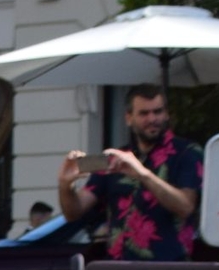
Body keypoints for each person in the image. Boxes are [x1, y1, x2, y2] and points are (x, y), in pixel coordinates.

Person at [56, 85, 203, 260]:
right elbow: (73, 212)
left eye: (157, 112)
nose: (152, 119)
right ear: (128, 118)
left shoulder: (187, 152)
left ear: (166, 114)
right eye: (144, 113)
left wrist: (143, 173)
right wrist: (65, 185)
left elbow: (186, 206)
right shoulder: (113, 158)